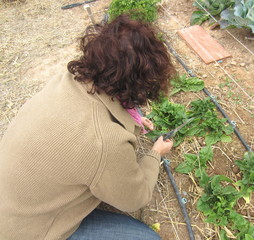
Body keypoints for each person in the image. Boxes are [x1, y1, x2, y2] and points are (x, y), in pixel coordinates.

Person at [0, 15, 175, 240]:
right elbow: (135, 198)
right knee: (146, 238)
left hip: (10, 204)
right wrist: (155, 154)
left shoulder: (66, 79)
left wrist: (134, 119)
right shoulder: (105, 142)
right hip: (26, 232)